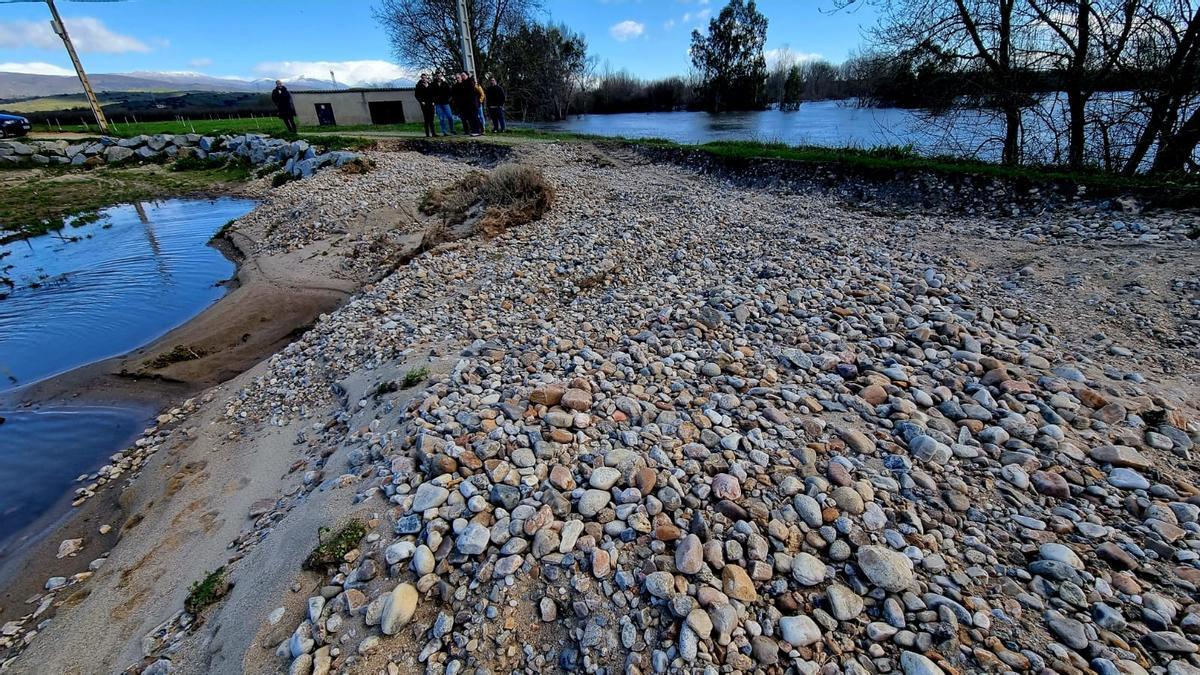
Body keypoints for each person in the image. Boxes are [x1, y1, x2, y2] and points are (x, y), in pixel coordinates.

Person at [414, 72, 436, 137]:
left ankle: (433, 133)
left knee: (431, 119)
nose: (424, 79)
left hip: (431, 103)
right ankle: (427, 134)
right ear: (421, 78)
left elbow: (434, 94)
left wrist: (433, 101)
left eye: (425, 77)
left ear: (427, 78)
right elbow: (416, 95)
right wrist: (421, 101)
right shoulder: (418, 86)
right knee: (426, 119)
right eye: (422, 78)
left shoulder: (430, 85)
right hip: (424, 104)